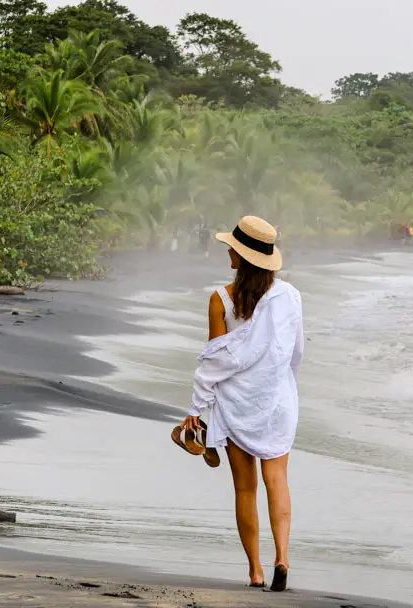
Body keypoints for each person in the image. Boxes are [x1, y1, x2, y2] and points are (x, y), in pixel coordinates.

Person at [176, 215, 304, 592]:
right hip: (277, 400)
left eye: (233, 247)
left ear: (243, 256)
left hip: (237, 403)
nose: (229, 251)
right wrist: (279, 385)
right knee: (277, 480)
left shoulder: (221, 300)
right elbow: (295, 353)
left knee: (245, 489)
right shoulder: (289, 297)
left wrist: (197, 408)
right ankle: (283, 557)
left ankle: (256, 571)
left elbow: (215, 359)